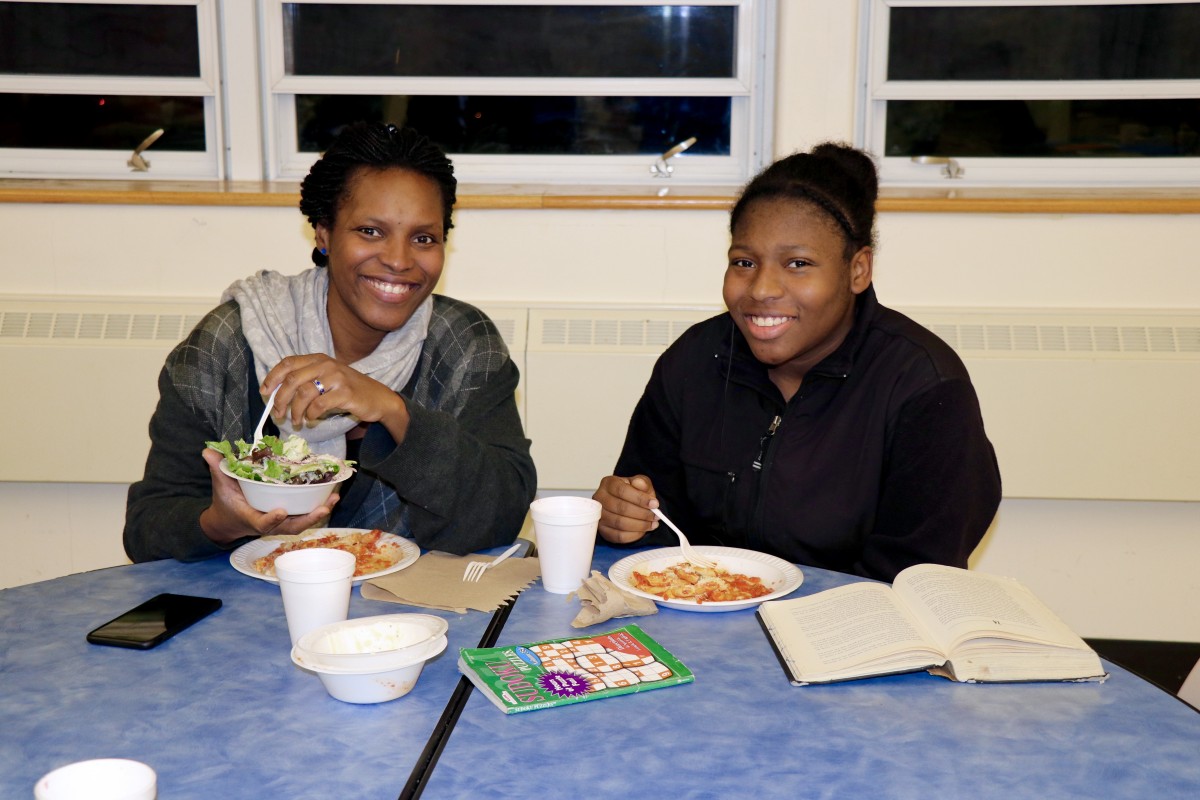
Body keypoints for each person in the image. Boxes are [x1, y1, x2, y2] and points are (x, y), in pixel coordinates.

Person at [124, 122, 536, 562]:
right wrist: (222, 523)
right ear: (324, 233)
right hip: (253, 615)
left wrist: (392, 411)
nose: (399, 260)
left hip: (412, 618)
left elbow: (501, 516)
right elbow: (147, 532)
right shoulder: (227, 344)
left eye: (423, 238)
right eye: (370, 231)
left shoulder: (465, 346)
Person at [592, 143, 1000, 582]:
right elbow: (654, 532)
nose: (762, 288)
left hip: (859, 636)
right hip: (703, 622)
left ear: (858, 270)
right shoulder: (693, 361)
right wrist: (621, 519)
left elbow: (915, 577)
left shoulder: (924, 386)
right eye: (744, 262)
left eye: (798, 264)